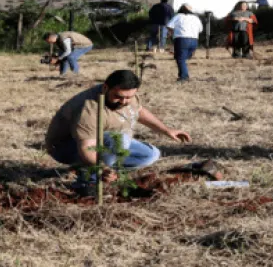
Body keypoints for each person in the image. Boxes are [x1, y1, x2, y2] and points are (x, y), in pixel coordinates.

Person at [45, 70, 191, 191]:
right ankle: (89, 180)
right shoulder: (89, 109)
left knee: (150, 154)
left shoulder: (128, 96)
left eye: (129, 97)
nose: (124, 102)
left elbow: (139, 111)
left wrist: (166, 130)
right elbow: (86, 146)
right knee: (119, 140)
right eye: (118, 97)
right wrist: (101, 168)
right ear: (105, 88)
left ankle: (103, 170)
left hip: (104, 140)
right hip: (66, 147)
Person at [166, 3, 203, 82]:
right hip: (194, 40)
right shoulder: (196, 18)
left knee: (180, 59)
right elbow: (200, 30)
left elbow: (169, 26)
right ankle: (182, 73)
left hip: (181, 39)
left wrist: (171, 33)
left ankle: (184, 77)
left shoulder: (178, 16)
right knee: (184, 58)